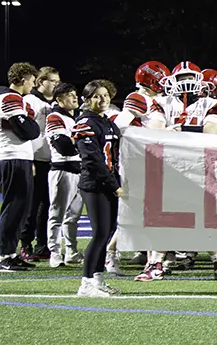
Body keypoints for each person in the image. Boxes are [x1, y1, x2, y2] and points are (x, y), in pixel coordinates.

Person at [0, 63, 42, 272]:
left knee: (21, 209)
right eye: (31, 80)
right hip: (12, 158)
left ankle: (10, 254)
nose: (33, 84)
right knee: (13, 208)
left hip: (20, 159)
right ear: (22, 79)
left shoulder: (14, 99)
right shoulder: (10, 98)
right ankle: (3, 257)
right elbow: (29, 131)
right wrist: (30, 121)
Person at [73, 80, 122, 297]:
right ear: (87, 99)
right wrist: (114, 185)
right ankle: (85, 284)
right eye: (96, 96)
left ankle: (97, 280)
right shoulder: (84, 122)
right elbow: (92, 159)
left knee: (106, 232)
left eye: (105, 95)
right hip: (94, 185)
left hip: (109, 183)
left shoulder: (108, 122)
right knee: (100, 234)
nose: (102, 99)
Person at [20, 66, 60, 262]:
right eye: (51, 81)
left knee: (48, 205)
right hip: (35, 158)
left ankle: (42, 244)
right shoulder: (29, 101)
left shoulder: (57, 103)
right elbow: (24, 131)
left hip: (52, 159)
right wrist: (29, 158)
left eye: (57, 82)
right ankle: (25, 244)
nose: (55, 85)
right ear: (39, 81)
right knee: (32, 204)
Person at [45, 83, 84, 267]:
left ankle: (71, 251)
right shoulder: (55, 117)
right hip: (63, 170)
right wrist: (81, 140)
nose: (75, 98)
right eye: (69, 95)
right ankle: (54, 253)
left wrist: (75, 139)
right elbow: (63, 146)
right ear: (59, 99)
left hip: (78, 171)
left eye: (75, 94)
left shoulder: (75, 118)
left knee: (73, 216)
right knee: (57, 215)